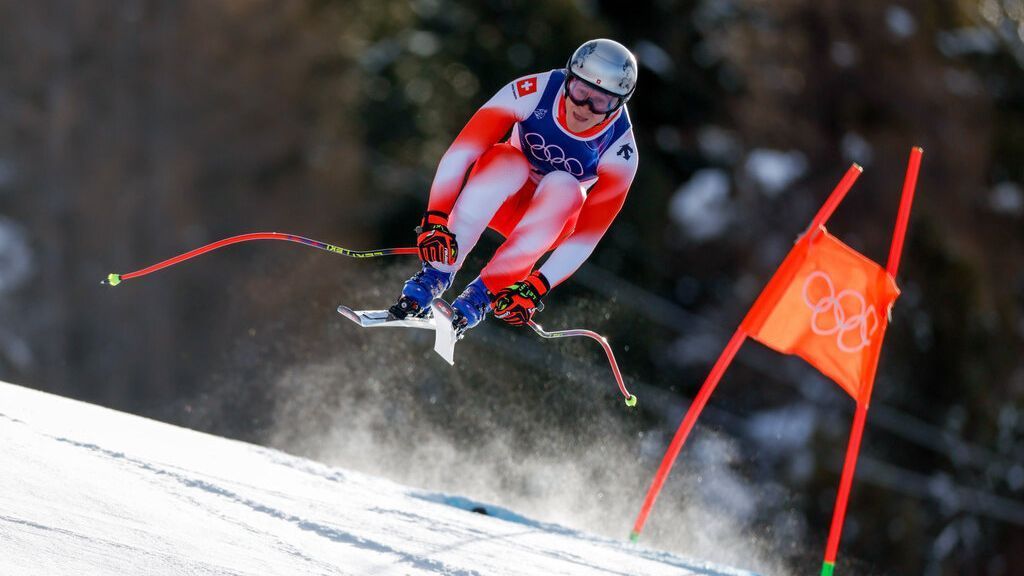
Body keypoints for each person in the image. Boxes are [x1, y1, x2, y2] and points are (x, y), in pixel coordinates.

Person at [390, 38, 640, 334]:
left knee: (566, 187)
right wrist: (435, 219)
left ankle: (479, 298)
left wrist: (536, 286)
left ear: (618, 104)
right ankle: (434, 276)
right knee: (507, 160)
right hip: (499, 198)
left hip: (547, 223)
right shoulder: (535, 91)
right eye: (580, 91)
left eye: (601, 102)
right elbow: (462, 152)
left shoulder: (620, 150)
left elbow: (587, 236)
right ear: (568, 79)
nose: (584, 108)